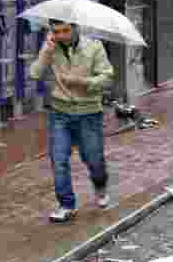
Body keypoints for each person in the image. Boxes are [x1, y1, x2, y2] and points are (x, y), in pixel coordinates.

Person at [30, 19, 115, 223]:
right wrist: (45, 52)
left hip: (89, 113)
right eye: (56, 31)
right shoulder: (51, 48)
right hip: (60, 112)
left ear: (76, 28)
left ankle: (100, 186)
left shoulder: (94, 46)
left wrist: (82, 82)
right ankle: (66, 205)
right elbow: (34, 74)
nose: (61, 36)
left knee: (93, 159)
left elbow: (108, 78)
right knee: (58, 160)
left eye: (65, 30)